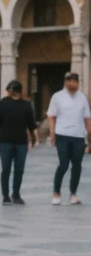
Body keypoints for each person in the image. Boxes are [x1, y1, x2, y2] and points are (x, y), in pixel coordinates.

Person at [0, 80, 37, 205]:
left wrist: (32, 139)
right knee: (11, 168)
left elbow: (31, 124)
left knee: (14, 169)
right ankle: (9, 195)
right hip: (9, 141)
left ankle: (13, 194)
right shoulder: (5, 104)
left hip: (15, 141)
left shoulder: (24, 105)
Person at [48, 71, 91, 206]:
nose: (73, 84)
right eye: (70, 81)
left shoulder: (82, 98)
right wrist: (52, 133)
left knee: (77, 166)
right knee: (63, 164)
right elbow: (51, 116)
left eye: (75, 81)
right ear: (66, 82)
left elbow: (87, 118)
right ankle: (56, 192)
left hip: (78, 136)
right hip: (62, 134)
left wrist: (89, 135)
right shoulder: (57, 97)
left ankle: (73, 193)